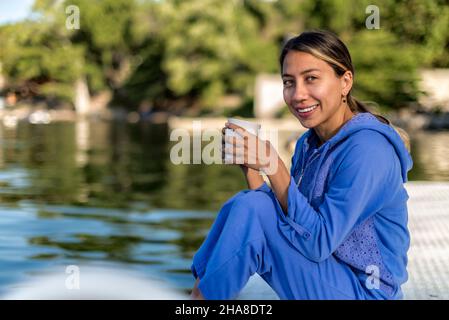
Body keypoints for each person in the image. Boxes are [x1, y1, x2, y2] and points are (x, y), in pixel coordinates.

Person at [190, 30, 413, 300]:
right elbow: (289, 221)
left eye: (311, 79)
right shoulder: (310, 143)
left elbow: (318, 242)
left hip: (366, 292)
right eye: (289, 82)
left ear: (345, 82)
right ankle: (198, 299)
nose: (298, 95)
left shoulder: (368, 150)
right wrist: (252, 168)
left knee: (251, 207)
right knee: (243, 204)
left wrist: (274, 166)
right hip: (330, 276)